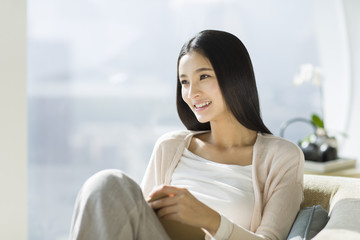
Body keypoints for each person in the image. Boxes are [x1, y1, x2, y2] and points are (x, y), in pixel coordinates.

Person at [69, 30, 304, 240]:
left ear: (235, 77)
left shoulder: (283, 156)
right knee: (106, 183)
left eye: (204, 77)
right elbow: (136, 220)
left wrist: (209, 220)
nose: (192, 93)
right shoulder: (171, 147)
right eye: (184, 82)